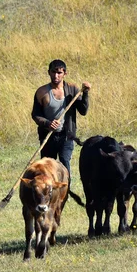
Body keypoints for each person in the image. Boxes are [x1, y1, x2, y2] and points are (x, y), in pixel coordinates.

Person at [31, 59, 91, 189]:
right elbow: (35, 115)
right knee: (47, 165)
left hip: (67, 135)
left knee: (64, 162)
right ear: (49, 72)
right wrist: (47, 123)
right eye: (53, 72)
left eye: (59, 73)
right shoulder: (41, 92)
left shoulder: (73, 89)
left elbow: (83, 110)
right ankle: (47, 190)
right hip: (48, 136)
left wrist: (85, 93)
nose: (56, 76)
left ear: (65, 73)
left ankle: (65, 190)